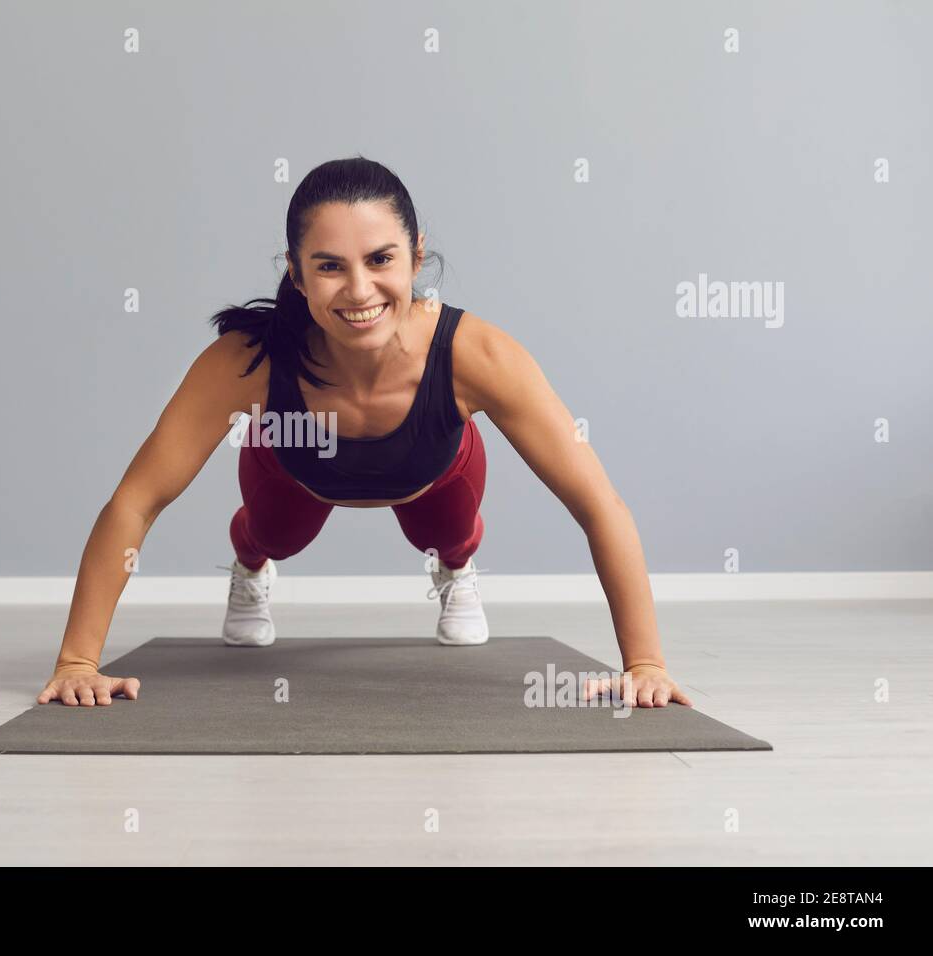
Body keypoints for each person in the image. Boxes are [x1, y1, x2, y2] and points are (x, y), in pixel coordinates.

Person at [38, 156, 692, 711]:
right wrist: (76, 660)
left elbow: (598, 504)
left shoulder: (478, 355)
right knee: (275, 534)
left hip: (431, 472)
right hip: (296, 470)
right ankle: (251, 566)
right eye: (329, 267)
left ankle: (457, 570)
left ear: (417, 255)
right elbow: (136, 499)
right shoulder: (248, 361)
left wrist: (646, 662)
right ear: (295, 272)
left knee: (446, 534)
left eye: (381, 259)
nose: (359, 289)